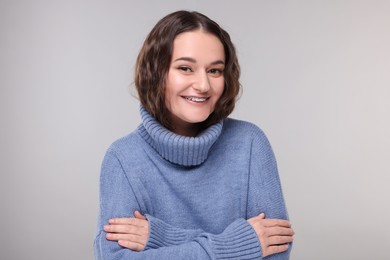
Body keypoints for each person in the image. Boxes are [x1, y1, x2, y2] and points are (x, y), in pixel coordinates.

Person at [94, 10, 294, 260]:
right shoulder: (123, 158)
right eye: (185, 68)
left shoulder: (250, 143)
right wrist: (237, 246)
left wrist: (163, 239)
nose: (203, 85)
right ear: (156, 72)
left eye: (215, 71)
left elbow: (276, 250)